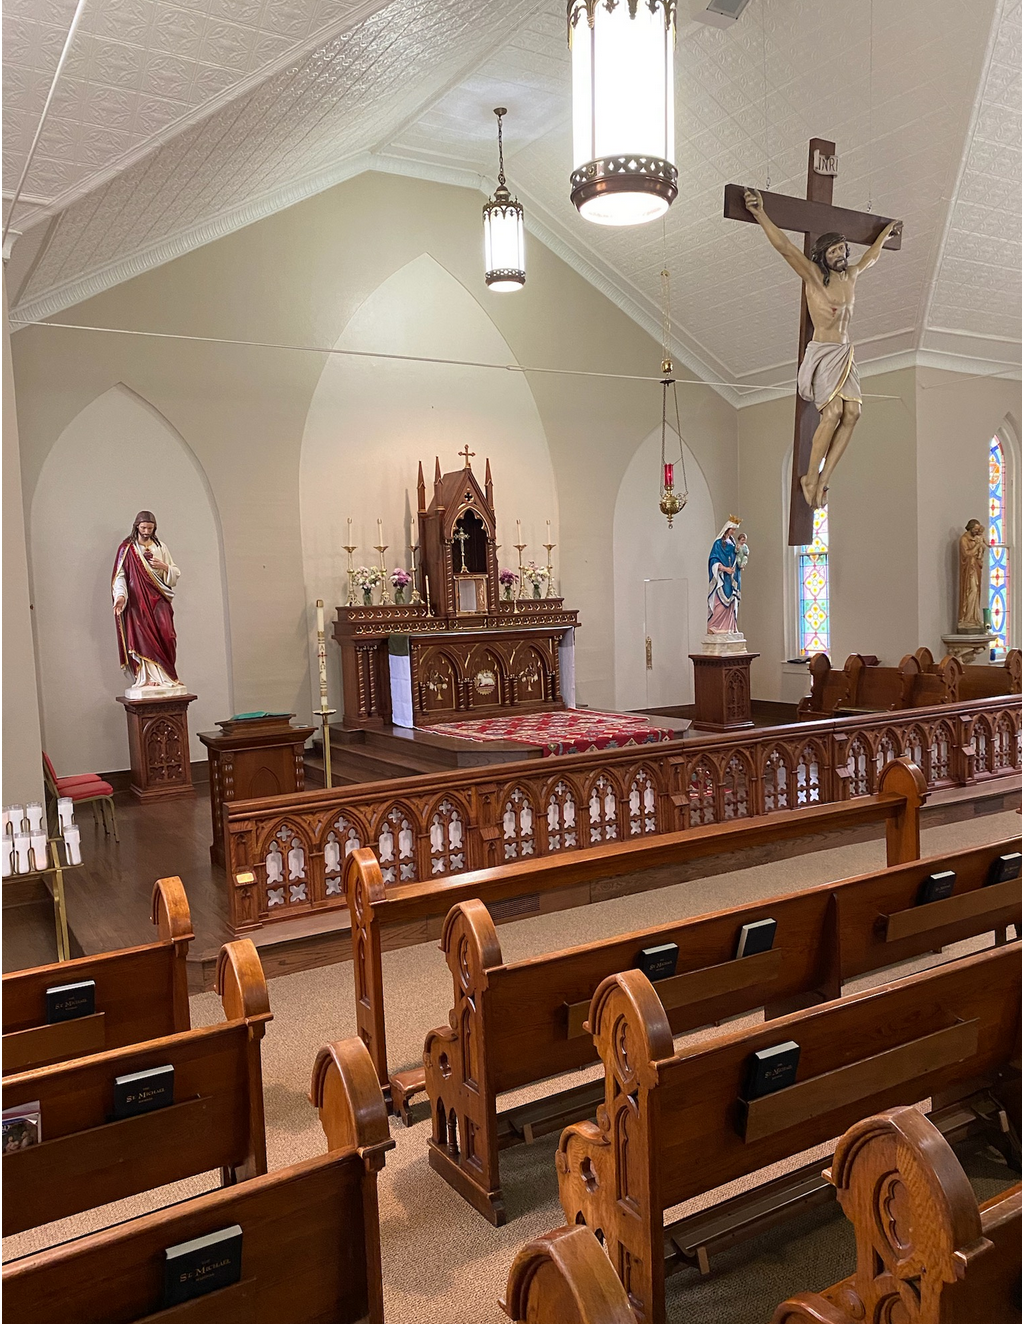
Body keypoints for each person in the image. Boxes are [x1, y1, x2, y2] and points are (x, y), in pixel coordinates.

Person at [743, 187, 901, 509]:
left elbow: (871, 256)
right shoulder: (815, 277)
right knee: (832, 413)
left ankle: (823, 478)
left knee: (854, 412)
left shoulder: (852, 276)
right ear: (823, 256)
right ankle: (810, 477)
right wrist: (760, 213)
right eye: (834, 252)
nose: (841, 255)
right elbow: (786, 248)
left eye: (843, 249)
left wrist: (884, 234)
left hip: (845, 352)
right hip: (824, 352)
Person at [112, 510, 185, 696]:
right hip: (137, 600)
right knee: (142, 637)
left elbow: (175, 572)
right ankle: (147, 677)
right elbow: (120, 575)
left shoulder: (161, 547)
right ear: (136, 526)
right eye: (143, 527)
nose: (146, 531)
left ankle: (168, 676)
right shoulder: (127, 548)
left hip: (159, 597)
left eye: (150, 528)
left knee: (167, 635)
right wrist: (120, 596)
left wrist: (164, 567)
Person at [707, 519, 748, 635]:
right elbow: (713, 561)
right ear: (727, 529)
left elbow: (737, 557)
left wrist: (740, 565)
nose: (733, 532)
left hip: (733, 578)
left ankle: (730, 627)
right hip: (723, 578)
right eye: (732, 529)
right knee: (720, 603)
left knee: (732, 603)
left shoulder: (733, 544)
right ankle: (714, 625)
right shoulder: (718, 544)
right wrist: (725, 569)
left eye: (735, 530)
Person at [958, 519, 986, 631]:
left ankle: (974, 619)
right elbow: (967, 554)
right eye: (975, 529)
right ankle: (967, 618)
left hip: (976, 568)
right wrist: (977, 546)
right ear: (970, 528)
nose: (977, 531)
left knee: (976, 591)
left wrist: (981, 549)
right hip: (969, 569)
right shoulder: (964, 539)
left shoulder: (977, 539)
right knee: (971, 590)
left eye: (978, 529)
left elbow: (981, 551)